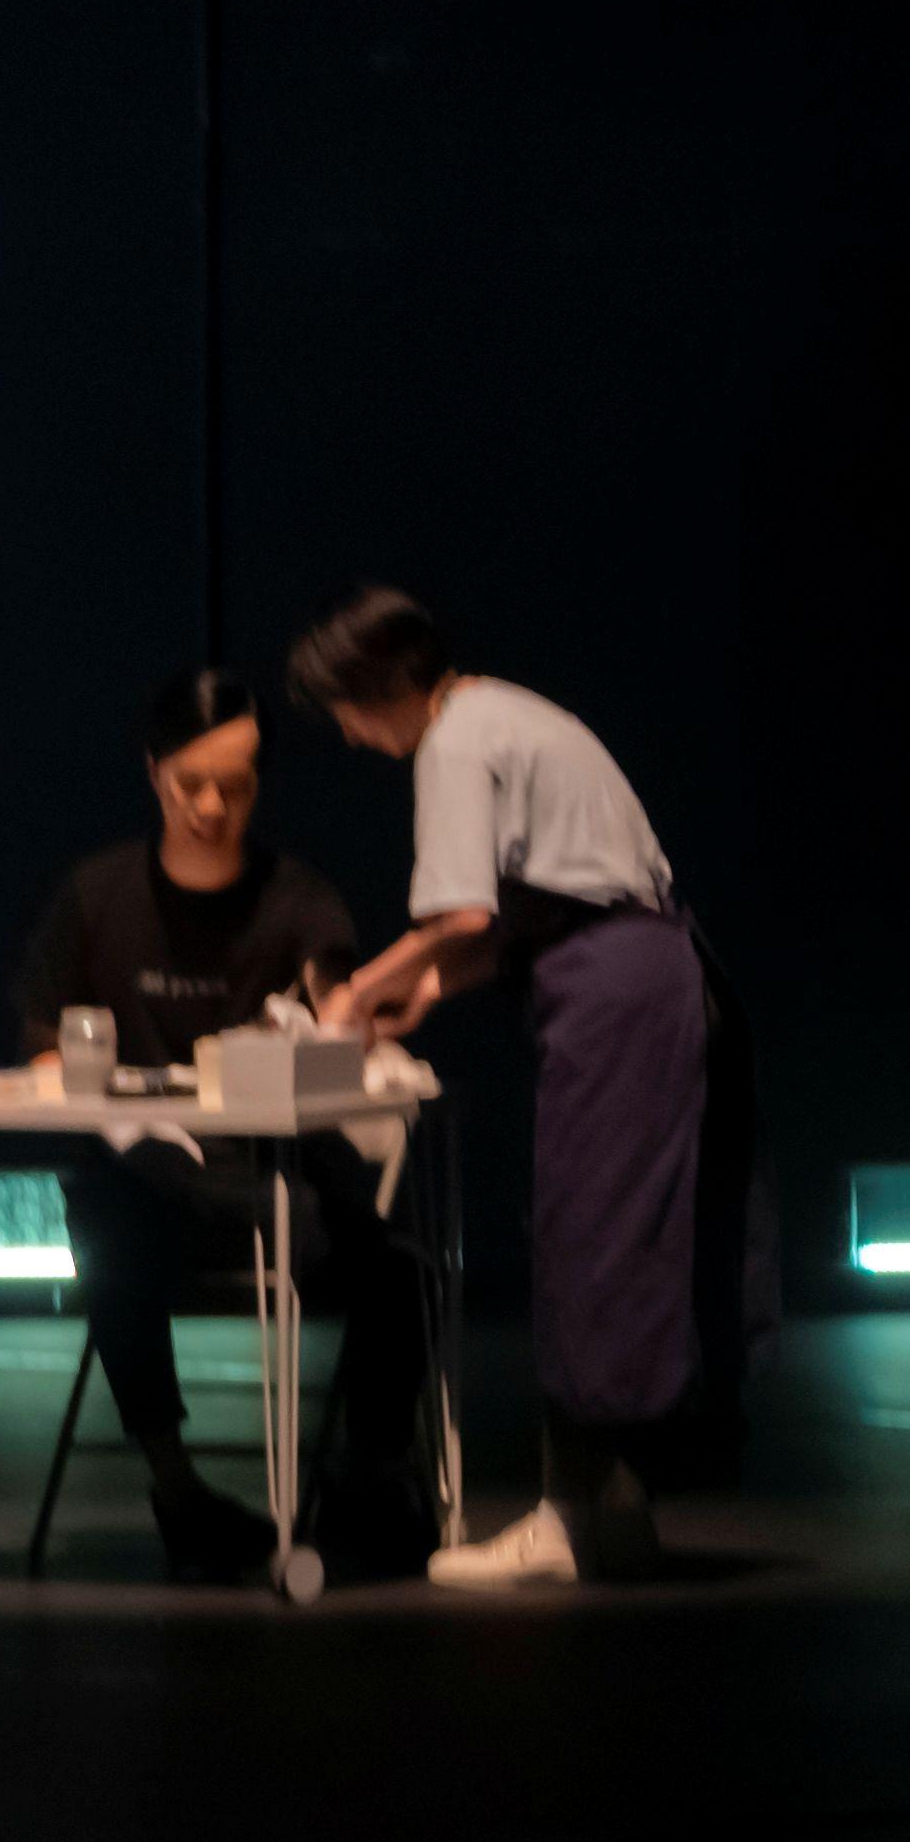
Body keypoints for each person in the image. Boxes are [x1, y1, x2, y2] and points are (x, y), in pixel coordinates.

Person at [289, 586, 723, 1587]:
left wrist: (357, 992)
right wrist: (426, 992)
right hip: (643, 970)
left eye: (346, 711)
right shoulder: (506, 711)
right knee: (619, 1238)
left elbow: (461, 917)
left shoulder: (453, 739)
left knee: (586, 1238)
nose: (349, 735)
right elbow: (541, 906)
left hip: (613, 990)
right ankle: (619, 1509)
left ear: (378, 687)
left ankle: (564, 1522)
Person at [3, 664, 430, 1582]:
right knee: (108, 1227)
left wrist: (350, 1014)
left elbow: (334, 990)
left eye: (233, 786)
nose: (209, 806)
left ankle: (373, 1477)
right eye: (189, 783)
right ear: (153, 771)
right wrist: (103, 1100)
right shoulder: (97, 895)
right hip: (147, 1182)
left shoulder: (296, 899)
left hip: (276, 1183)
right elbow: (41, 1041)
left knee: (395, 1267)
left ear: (259, 785)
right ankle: (177, 1488)